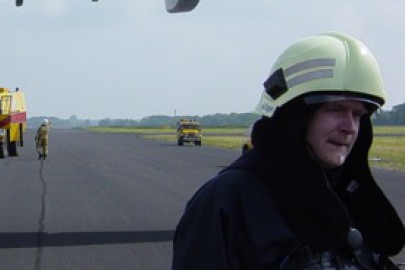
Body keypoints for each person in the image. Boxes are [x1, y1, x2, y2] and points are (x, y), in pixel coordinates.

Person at [172, 32, 405, 269]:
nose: (350, 128)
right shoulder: (227, 200)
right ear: (294, 116)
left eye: (358, 115)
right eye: (336, 109)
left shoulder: (350, 198)